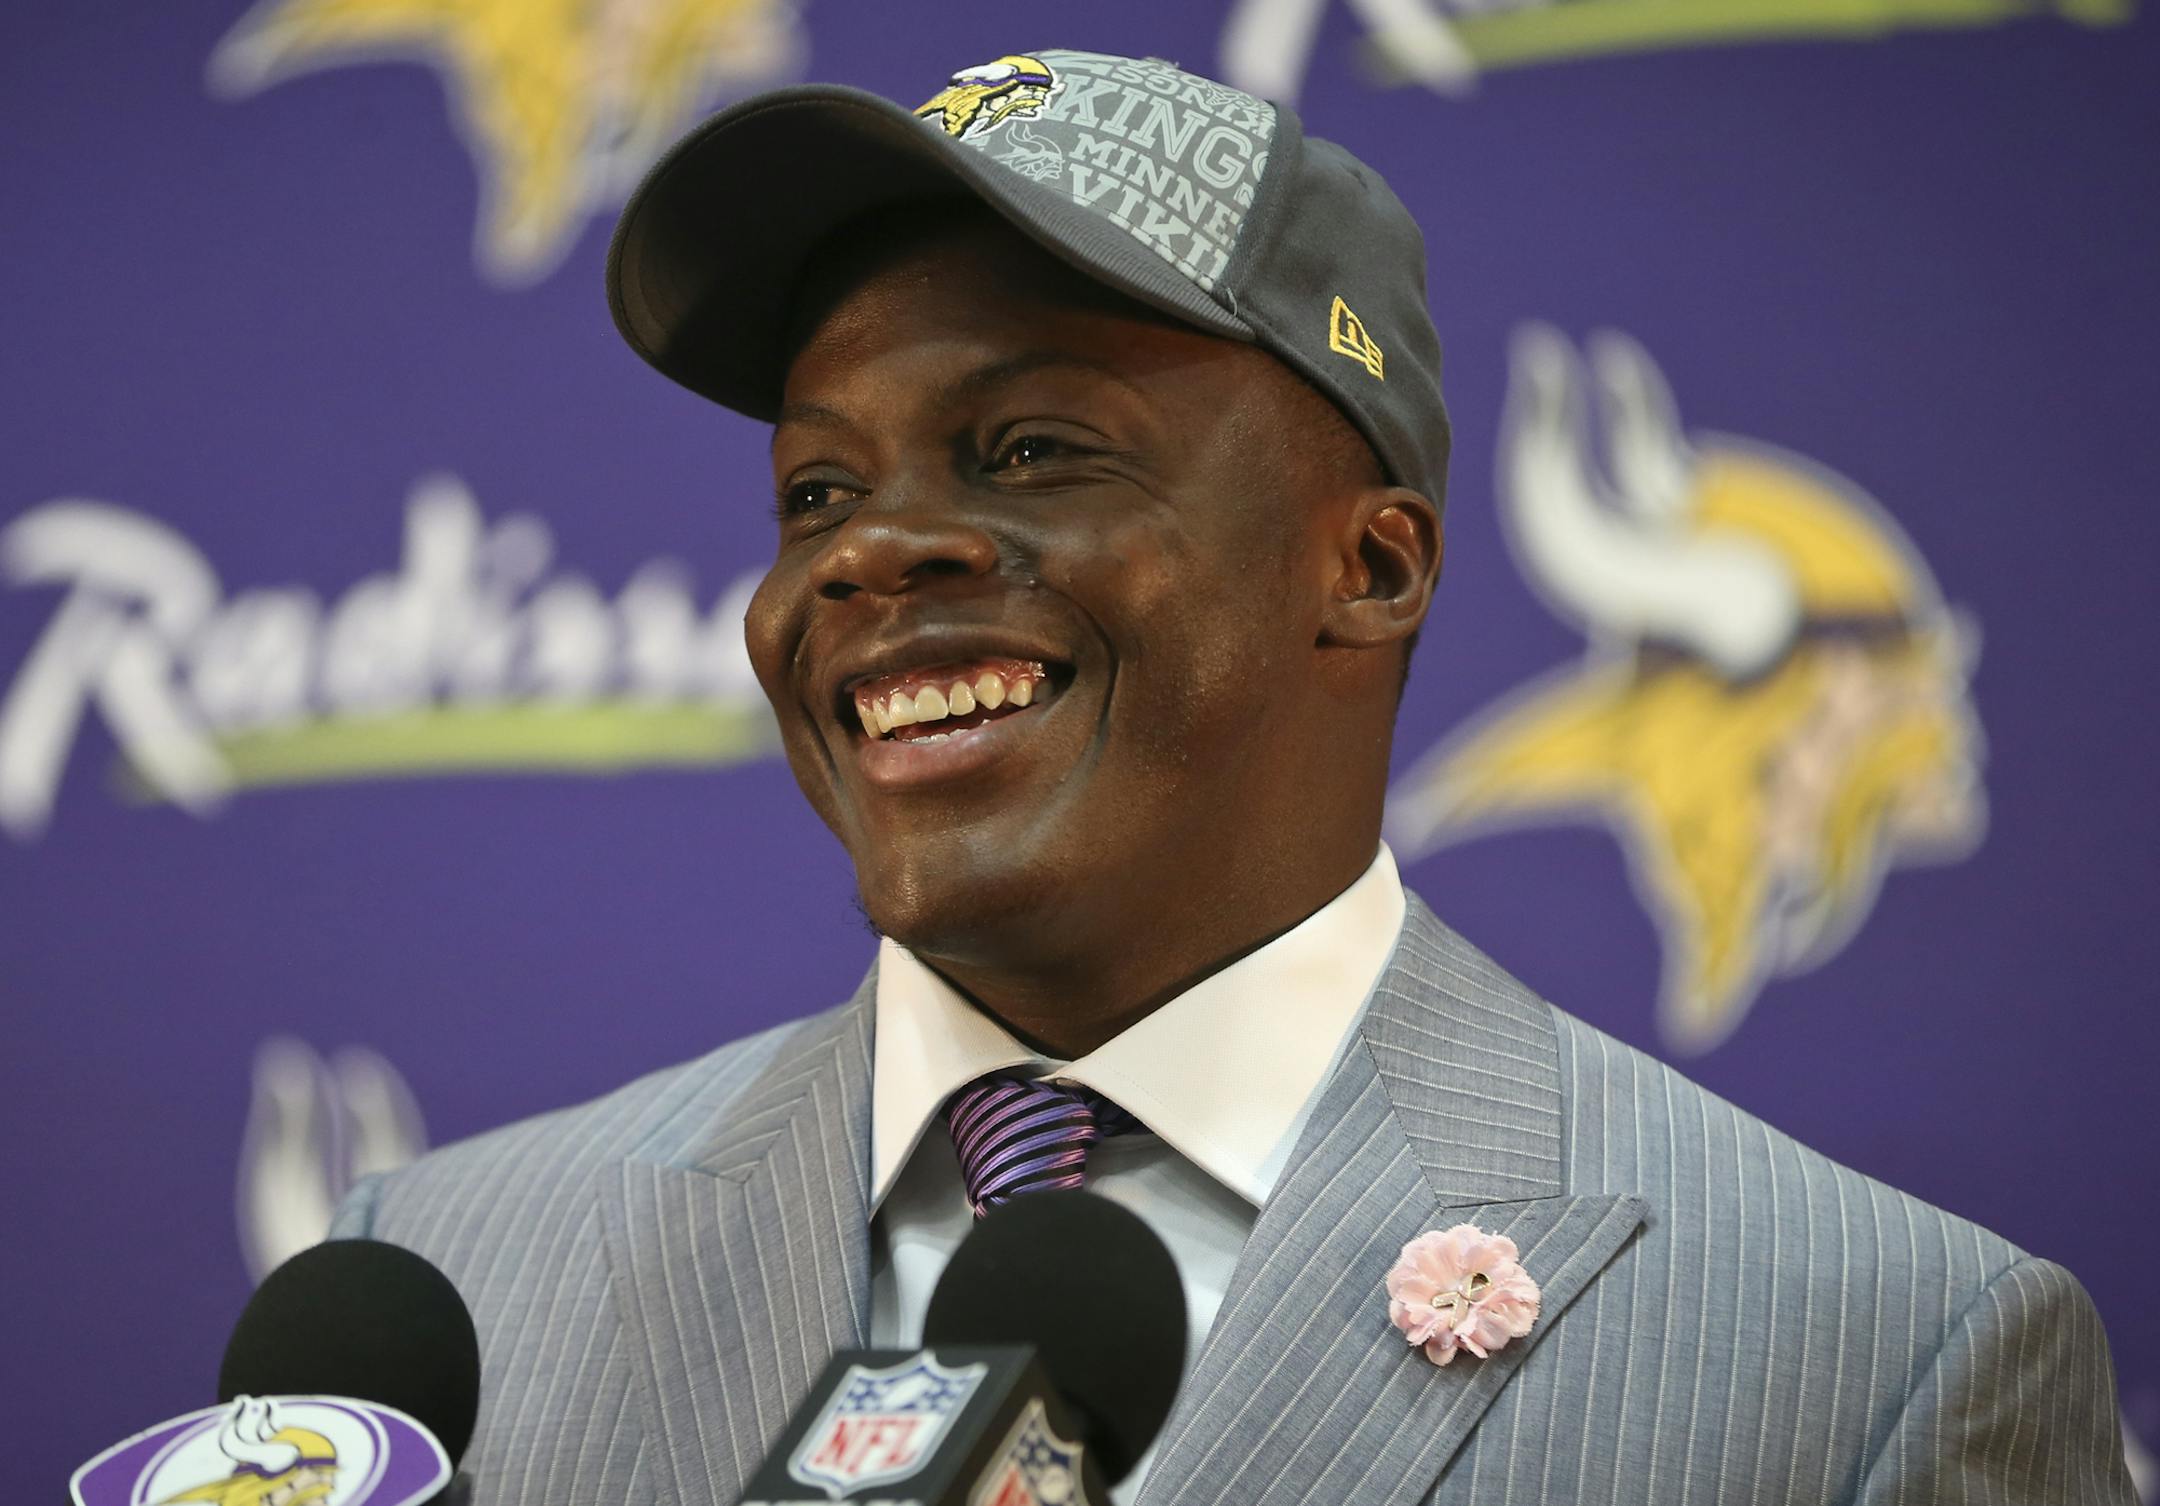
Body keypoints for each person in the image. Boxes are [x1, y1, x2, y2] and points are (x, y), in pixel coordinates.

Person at [330, 48, 2135, 1505]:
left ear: (1372, 566)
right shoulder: (446, 1284)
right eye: (818, 491)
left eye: (1031, 449)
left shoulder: (1880, 1357)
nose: (867, 562)